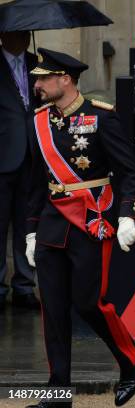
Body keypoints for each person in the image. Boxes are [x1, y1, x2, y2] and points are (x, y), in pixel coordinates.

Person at [26, 48, 135, 408]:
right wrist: (31, 231)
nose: (38, 84)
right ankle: (57, 393)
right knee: (54, 309)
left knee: (89, 302)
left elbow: (130, 171)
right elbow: (34, 180)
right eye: (37, 79)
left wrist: (127, 215)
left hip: (91, 220)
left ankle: (131, 359)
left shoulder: (101, 117)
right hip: (51, 224)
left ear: (65, 79)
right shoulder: (40, 121)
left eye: (45, 78)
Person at [0, 31, 40, 310]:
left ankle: (24, 287)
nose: (24, 37)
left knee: (28, 225)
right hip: (2, 157)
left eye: (27, 32)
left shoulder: (37, 64)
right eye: (18, 32)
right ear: (4, 35)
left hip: (32, 157)